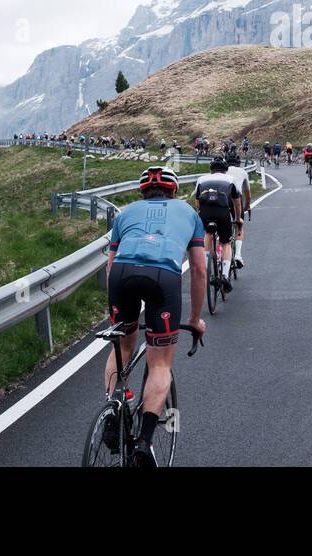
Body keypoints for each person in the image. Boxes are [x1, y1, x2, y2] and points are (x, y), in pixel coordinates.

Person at [105, 166, 207, 467]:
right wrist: (194, 319)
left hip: (122, 275)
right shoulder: (189, 213)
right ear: (173, 191)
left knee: (122, 344)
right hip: (162, 275)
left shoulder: (125, 214)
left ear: (142, 192)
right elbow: (200, 269)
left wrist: (116, 313)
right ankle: (145, 442)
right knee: (160, 362)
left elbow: (110, 268)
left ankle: (112, 406)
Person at [192, 156, 242, 292]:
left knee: (208, 233)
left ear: (211, 169)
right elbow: (237, 202)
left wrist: (200, 215)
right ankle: (225, 275)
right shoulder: (231, 179)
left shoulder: (201, 179)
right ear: (226, 169)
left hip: (206, 212)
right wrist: (238, 218)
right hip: (222, 212)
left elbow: (197, 202)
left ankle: (206, 265)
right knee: (225, 243)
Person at [224, 155, 252, 270]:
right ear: (238, 163)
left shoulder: (223, 171)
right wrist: (247, 206)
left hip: (222, 199)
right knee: (239, 225)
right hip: (236, 199)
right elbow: (248, 194)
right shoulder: (242, 171)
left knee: (222, 227)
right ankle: (238, 256)